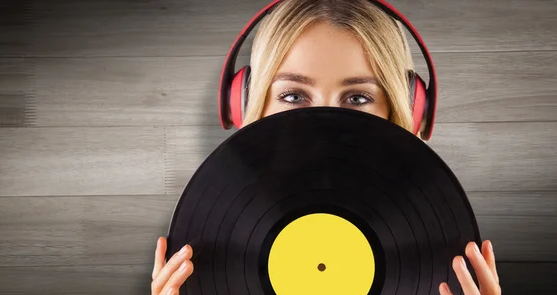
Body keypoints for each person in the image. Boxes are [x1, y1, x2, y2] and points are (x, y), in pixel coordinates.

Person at [150, 0, 501, 294]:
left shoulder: (433, 247)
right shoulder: (218, 243)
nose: (324, 121)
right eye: (293, 96)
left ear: (405, 109)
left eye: (358, 97)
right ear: (247, 105)